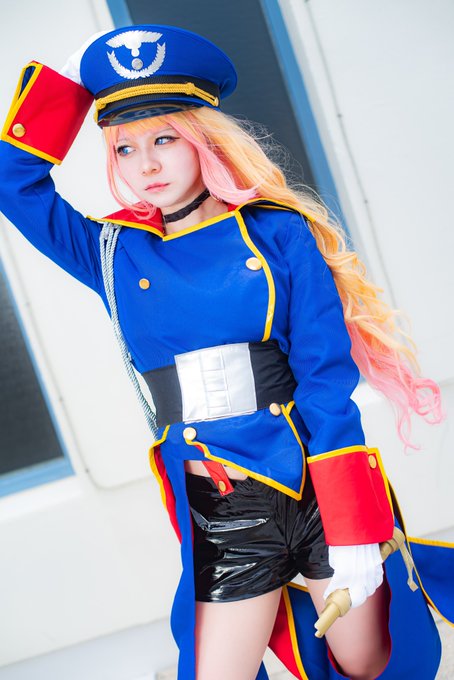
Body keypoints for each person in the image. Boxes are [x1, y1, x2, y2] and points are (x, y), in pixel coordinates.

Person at [0, 24, 451, 680]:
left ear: (204, 139)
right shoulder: (114, 253)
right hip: (224, 503)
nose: (146, 165)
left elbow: (325, 382)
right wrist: (67, 88)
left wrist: (355, 527)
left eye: (164, 139)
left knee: (371, 662)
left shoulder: (279, 233)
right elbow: (14, 182)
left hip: (314, 483)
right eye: (124, 148)